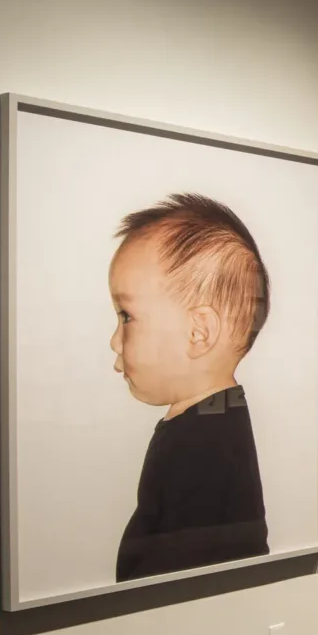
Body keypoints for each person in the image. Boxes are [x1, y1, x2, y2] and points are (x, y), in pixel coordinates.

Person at [108, 193, 270, 581]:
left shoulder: (199, 440)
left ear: (199, 333)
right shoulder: (212, 419)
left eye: (126, 316)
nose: (115, 341)